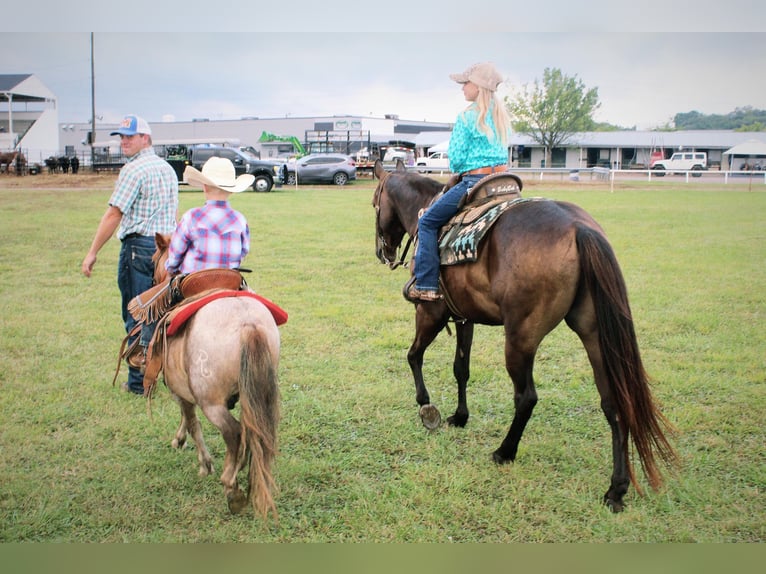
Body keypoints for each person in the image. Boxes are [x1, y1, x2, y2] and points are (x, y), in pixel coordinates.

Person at [81, 114, 179, 395]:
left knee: (138, 314)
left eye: (130, 137)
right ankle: (168, 376)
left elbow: (114, 213)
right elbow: (172, 213)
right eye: (121, 137)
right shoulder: (166, 169)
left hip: (138, 248)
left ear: (145, 139)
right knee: (162, 313)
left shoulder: (133, 170)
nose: (124, 142)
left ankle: (139, 383)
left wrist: (92, 252)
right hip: (165, 249)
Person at [407, 62, 512, 302]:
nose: (463, 88)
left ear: (478, 86)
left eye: (465, 83)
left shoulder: (467, 116)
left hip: (475, 180)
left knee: (428, 222)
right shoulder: (500, 114)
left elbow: (455, 161)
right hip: (503, 180)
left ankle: (426, 284)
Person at [165, 157, 253, 276]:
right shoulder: (239, 219)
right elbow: (244, 251)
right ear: (231, 191)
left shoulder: (191, 217)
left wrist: (171, 267)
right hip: (228, 278)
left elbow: (176, 252)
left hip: (194, 280)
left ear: (204, 187)